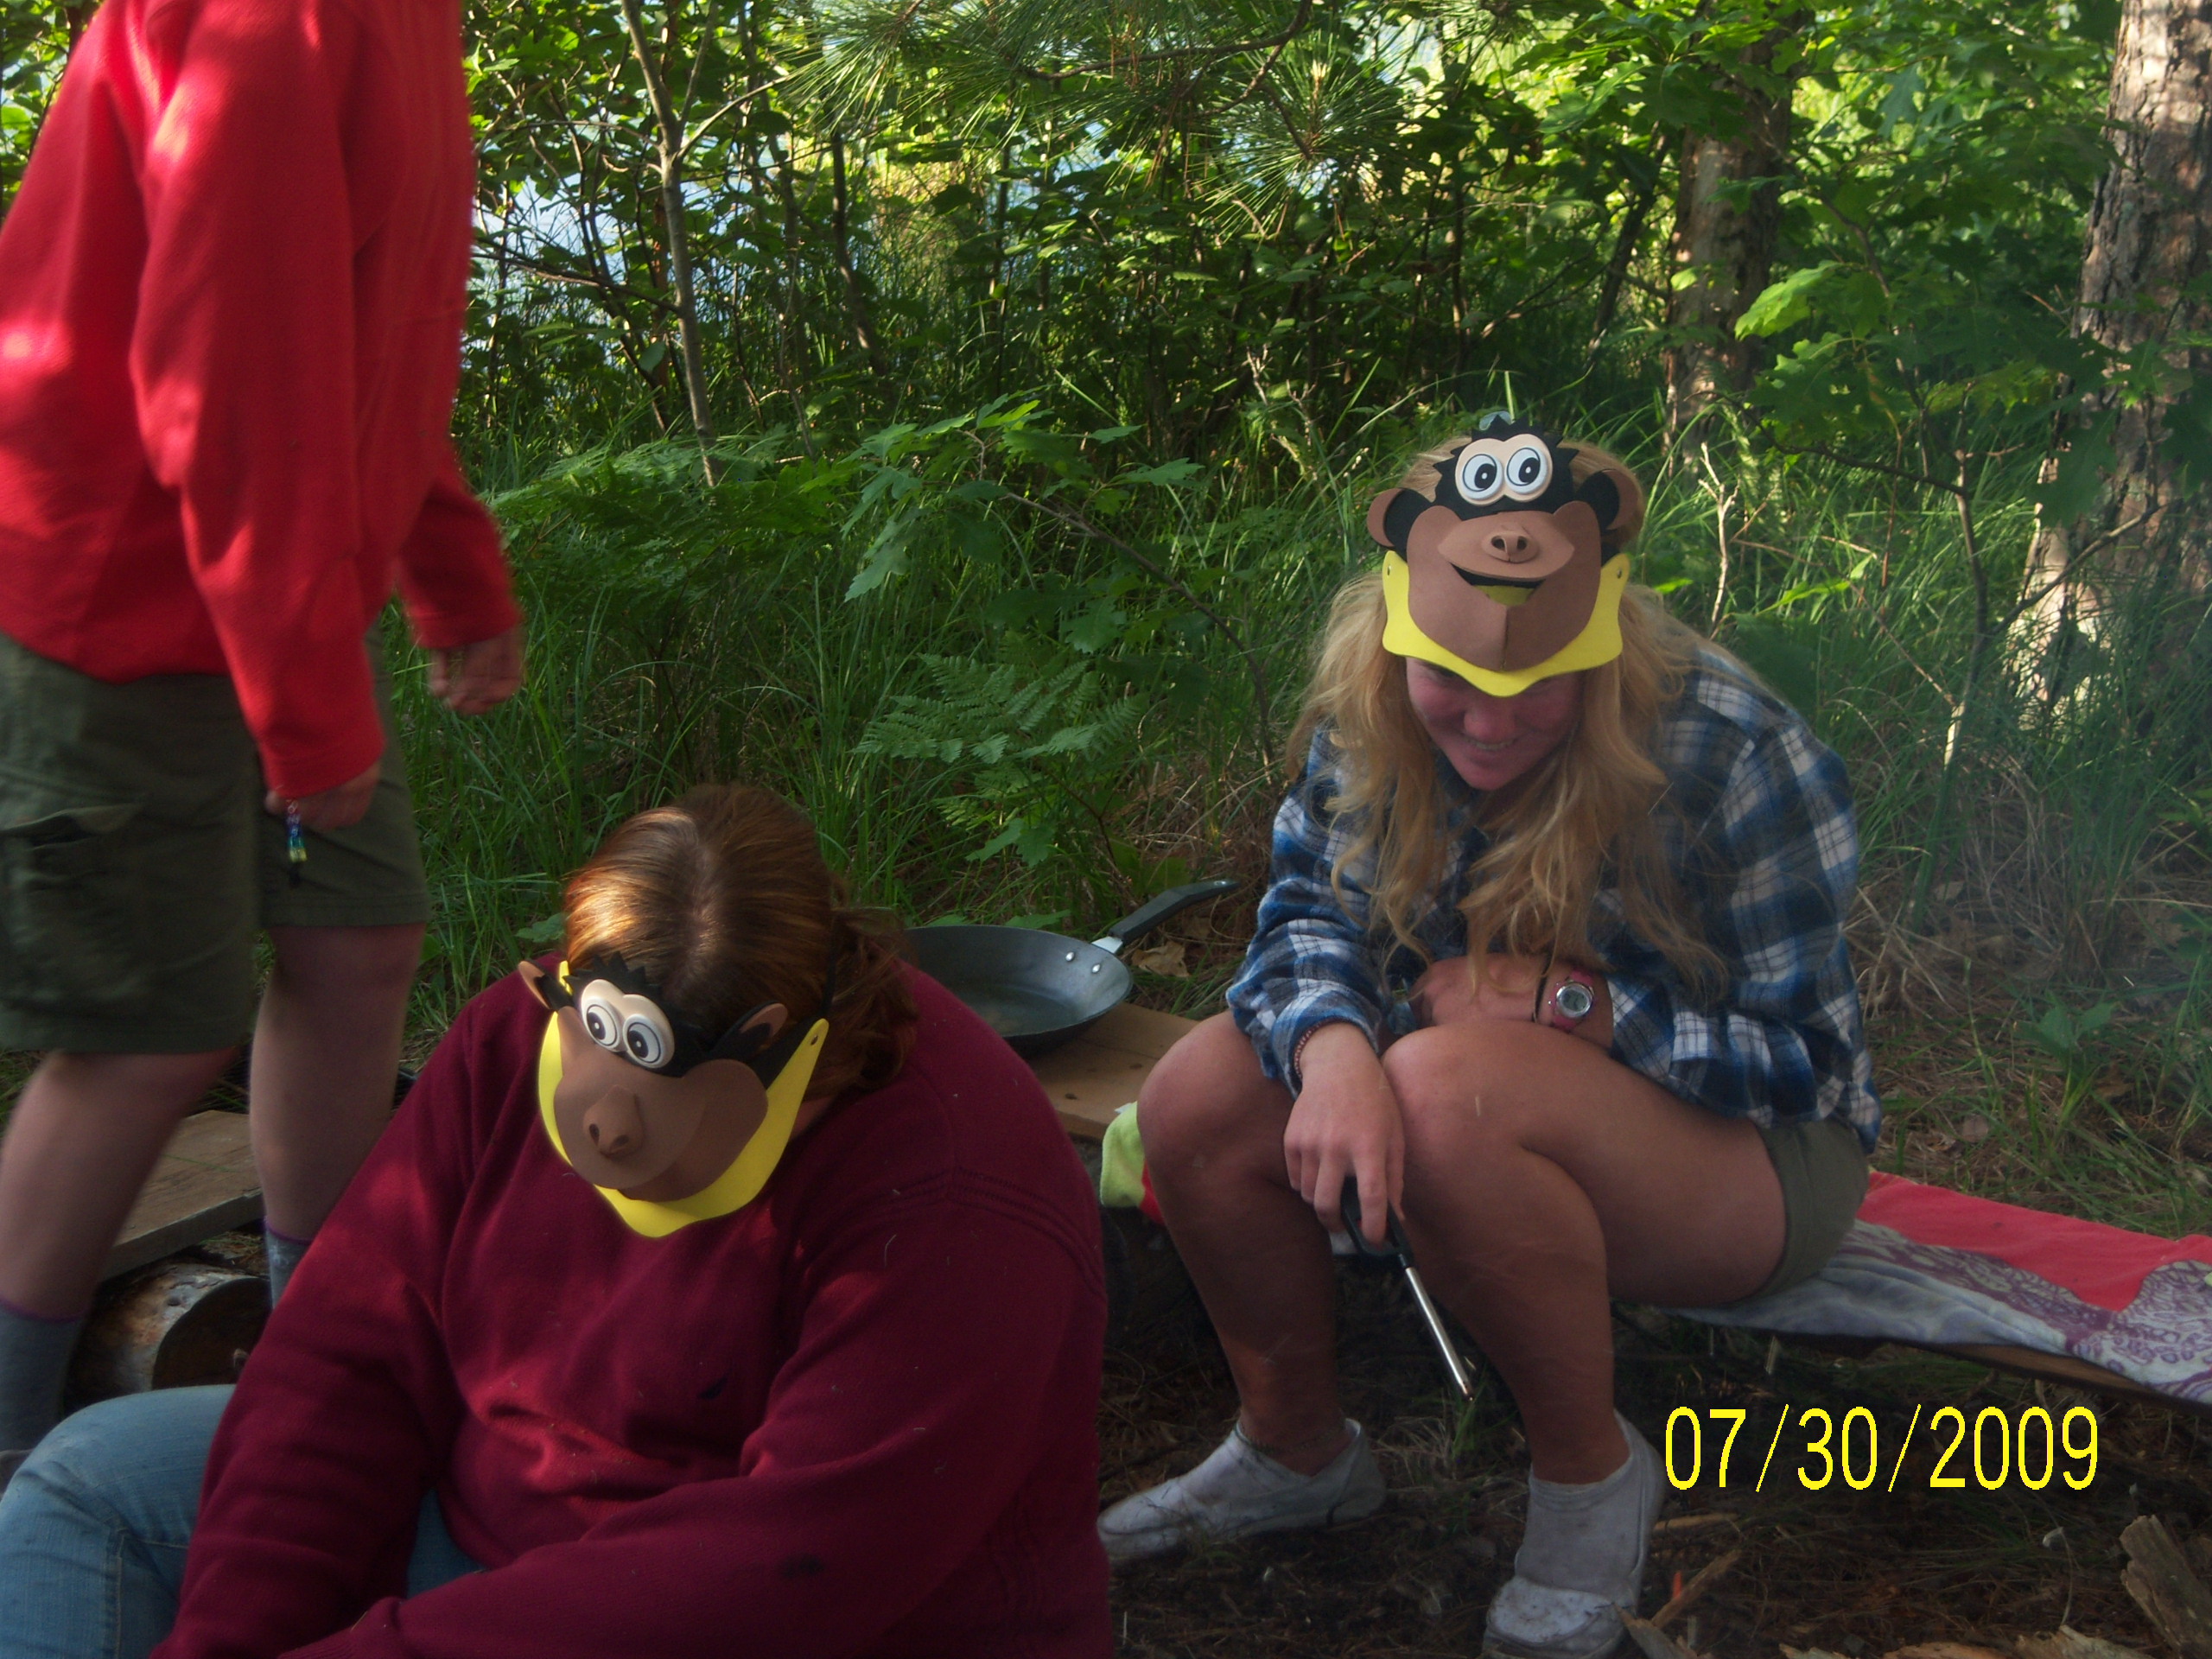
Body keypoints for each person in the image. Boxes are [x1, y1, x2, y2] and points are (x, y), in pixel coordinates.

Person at [0, 784, 1113, 1659]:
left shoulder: (957, 1197)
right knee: (96, 1478)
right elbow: (346, 1354)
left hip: (797, 1629)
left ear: (785, 1052)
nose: (614, 1144)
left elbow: (793, 1575)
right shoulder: (521, 1032)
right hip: (487, 1538)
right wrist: (233, 1639)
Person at [1096, 418, 1878, 1658]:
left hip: (1756, 1163)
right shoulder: (1372, 708)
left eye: (1540, 682)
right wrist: (1333, 1051)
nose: (1492, 720)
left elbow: (1809, 1070)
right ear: (1398, 637)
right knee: (1195, 1097)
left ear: (1603, 648)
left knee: (1442, 1093)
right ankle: (1297, 1453)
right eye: (1451, 678)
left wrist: (1573, 1009)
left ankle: (1590, 1480)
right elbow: (1306, 917)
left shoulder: (1734, 747)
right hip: (1467, 1084)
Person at [0, 0, 524, 1477]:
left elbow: (372, 333)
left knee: (356, 946)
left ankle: (317, 1376)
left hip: (275, 590)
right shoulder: (276, 19)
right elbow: (228, 377)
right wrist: (307, 702)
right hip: (118, 597)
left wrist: (449, 566)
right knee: (149, 1033)